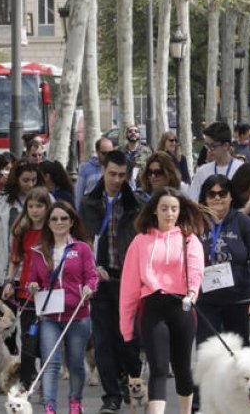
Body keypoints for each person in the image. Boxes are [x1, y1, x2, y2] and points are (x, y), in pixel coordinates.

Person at [119, 188, 206, 414]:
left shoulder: (189, 240)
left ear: (180, 211)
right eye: (164, 208)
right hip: (153, 308)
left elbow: (196, 272)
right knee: (158, 368)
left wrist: (193, 294)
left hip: (182, 307)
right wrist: (126, 328)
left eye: (174, 209)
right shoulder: (140, 242)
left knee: (182, 368)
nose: (169, 213)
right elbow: (129, 287)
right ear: (154, 210)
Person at [81, 150, 145, 414]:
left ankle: (130, 381)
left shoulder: (136, 202)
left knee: (129, 341)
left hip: (128, 280)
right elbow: (84, 240)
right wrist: (92, 268)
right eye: (112, 174)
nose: (117, 180)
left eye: (122, 175)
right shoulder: (89, 202)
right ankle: (111, 396)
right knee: (104, 340)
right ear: (103, 171)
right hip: (101, 280)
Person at [24, 201, 97, 414]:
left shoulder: (82, 248)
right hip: (49, 317)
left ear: (72, 221)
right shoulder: (38, 251)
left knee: (75, 364)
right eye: (54, 218)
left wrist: (89, 288)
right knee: (51, 364)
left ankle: (75, 402)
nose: (59, 222)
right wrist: (32, 286)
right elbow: (31, 280)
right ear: (48, 223)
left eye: (64, 218)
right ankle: (50, 407)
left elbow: (92, 276)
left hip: (78, 315)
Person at [0, 160, 44, 357]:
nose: (30, 185)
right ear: (15, 179)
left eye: (33, 180)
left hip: (33, 275)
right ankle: (7, 370)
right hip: (1, 272)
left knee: (32, 328)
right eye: (25, 180)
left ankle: (28, 373)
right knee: (5, 327)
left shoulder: (45, 198)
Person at [193, 175, 250, 345]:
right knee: (208, 351)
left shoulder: (243, 222)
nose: (217, 198)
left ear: (231, 196)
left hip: (238, 300)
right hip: (206, 300)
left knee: (237, 353)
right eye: (211, 194)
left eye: (222, 193)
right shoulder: (196, 223)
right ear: (205, 198)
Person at [3, 187, 53, 388]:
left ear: (47, 207)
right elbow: (15, 259)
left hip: (50, 294)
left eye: (39, 206)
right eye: (31, 206)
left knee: (47, 340)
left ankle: (46, 381)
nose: (35, 210)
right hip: (26, 293)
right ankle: (26, 381)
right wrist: (9, 281)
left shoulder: (53, 230)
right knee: (28, 338)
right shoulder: (21, 231)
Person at [190, 122, 243, 201]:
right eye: (207, 146)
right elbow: (193, 200)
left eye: (212, 146)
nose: (209, 150)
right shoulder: (202, 171)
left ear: (226, 146)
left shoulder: (241, 169)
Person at [76, 137, 115, 209]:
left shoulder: (118, 167)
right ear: (97, 152)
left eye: (110, 153)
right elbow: (78, 195)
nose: (108, 156)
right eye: (104, 153)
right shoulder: (86, 168)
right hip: (92, 211)